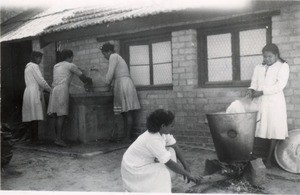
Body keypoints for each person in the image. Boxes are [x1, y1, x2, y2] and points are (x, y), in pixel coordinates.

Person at [121, 109, 201, 192]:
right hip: (133, 169)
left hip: (142, 163)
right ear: (163, 126)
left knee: (171, 151)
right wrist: (188, 174)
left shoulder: (161, 133)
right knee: (163, 170)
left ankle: (156, 186)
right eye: (171, 126)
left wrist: (186, 165)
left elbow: (175, 146)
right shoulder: (153, 139)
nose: (172, 128)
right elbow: (169, 163)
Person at [246, 43, 289, 168]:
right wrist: (251, 89)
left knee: (272, 129)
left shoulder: (283, 67)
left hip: (274, 102)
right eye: (264, 57)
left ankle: (269, 159)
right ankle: (252, 157)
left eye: (270, 57)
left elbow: (279, 86)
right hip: (259, 101)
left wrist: (262, 92)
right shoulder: (259, 67)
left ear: (276, 55)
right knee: (257, 128)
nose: (267, 59)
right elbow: (254, 82)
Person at [47, 49, 92, 147]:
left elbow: (66, 73)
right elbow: (82, 76)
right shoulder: (71, 65)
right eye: (72, 57)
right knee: (61, 115)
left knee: (56, 115)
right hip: (62, 91)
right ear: (70, 57)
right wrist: (89, 82)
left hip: (54, 90)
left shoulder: (56, 65)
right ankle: (59, 139)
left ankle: (57, 138)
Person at [100, 42, 141, 142]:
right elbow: (114, 74)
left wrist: (106, 83)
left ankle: (127, 137)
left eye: (104, 54)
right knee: (124, 112)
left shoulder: (113, 56)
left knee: (126, 112)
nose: (105, 57)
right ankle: (126, 136)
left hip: (123, 84)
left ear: (109, 51)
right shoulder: (117, 57)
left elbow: (110, 73)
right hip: (122, 83)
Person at [22, 51, 52, 144]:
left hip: (28, 92)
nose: (40, 60)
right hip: (34, 92)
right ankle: (35, 139)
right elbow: (40, 80)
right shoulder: (34, 66)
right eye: (39, 58)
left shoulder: (27, 67)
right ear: (35, 58)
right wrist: (50, 89)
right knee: (35, 116)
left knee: (32, 116)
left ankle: (32, 138)